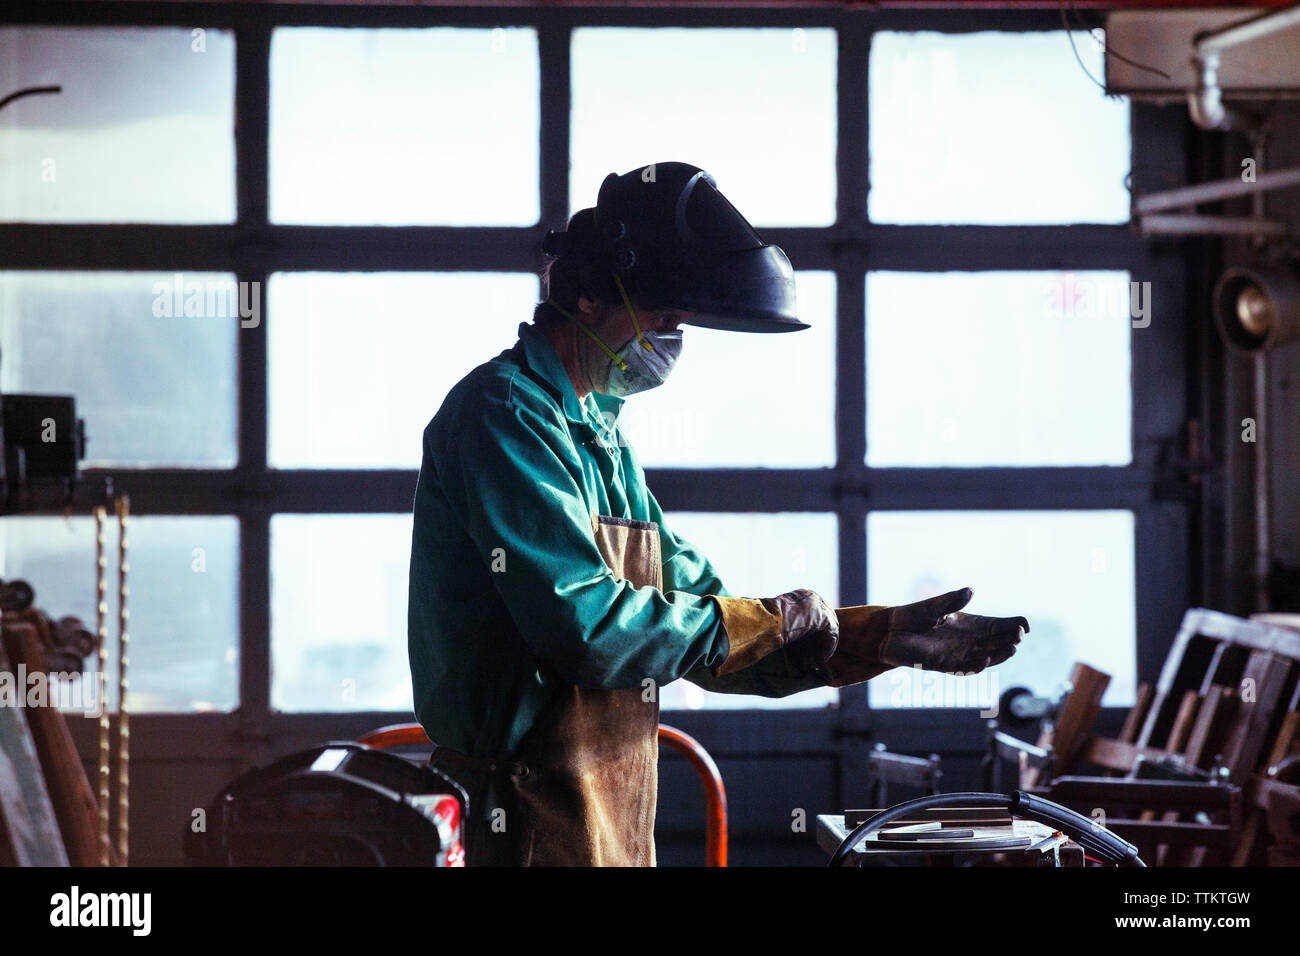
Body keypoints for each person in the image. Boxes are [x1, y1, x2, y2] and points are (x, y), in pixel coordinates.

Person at [407, 162, 1030, 866]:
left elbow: (705, 621)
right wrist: (766, 623)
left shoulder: (599, 433)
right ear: (585, 297)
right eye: (664, 311)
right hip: (516, 819)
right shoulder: (506, 416)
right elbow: (588, 631)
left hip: (604, 810)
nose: (675, 334)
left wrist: (875, 638)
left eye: (683, 317)